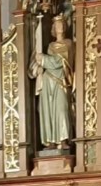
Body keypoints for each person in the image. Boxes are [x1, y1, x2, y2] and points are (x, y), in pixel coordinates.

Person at [29, 15, 74, 149]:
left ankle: (63, 140)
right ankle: (50, 142)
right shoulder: (50, 45)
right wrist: (40, 63)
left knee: (61, 109)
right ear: (53, 29)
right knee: (47, 110)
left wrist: (43, 59)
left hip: (61, 81)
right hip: (48, 80)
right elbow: (50, 62)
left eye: (61, 24)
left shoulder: (68, 43)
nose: (59, 27)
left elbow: (60, 61)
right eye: (56, 25)